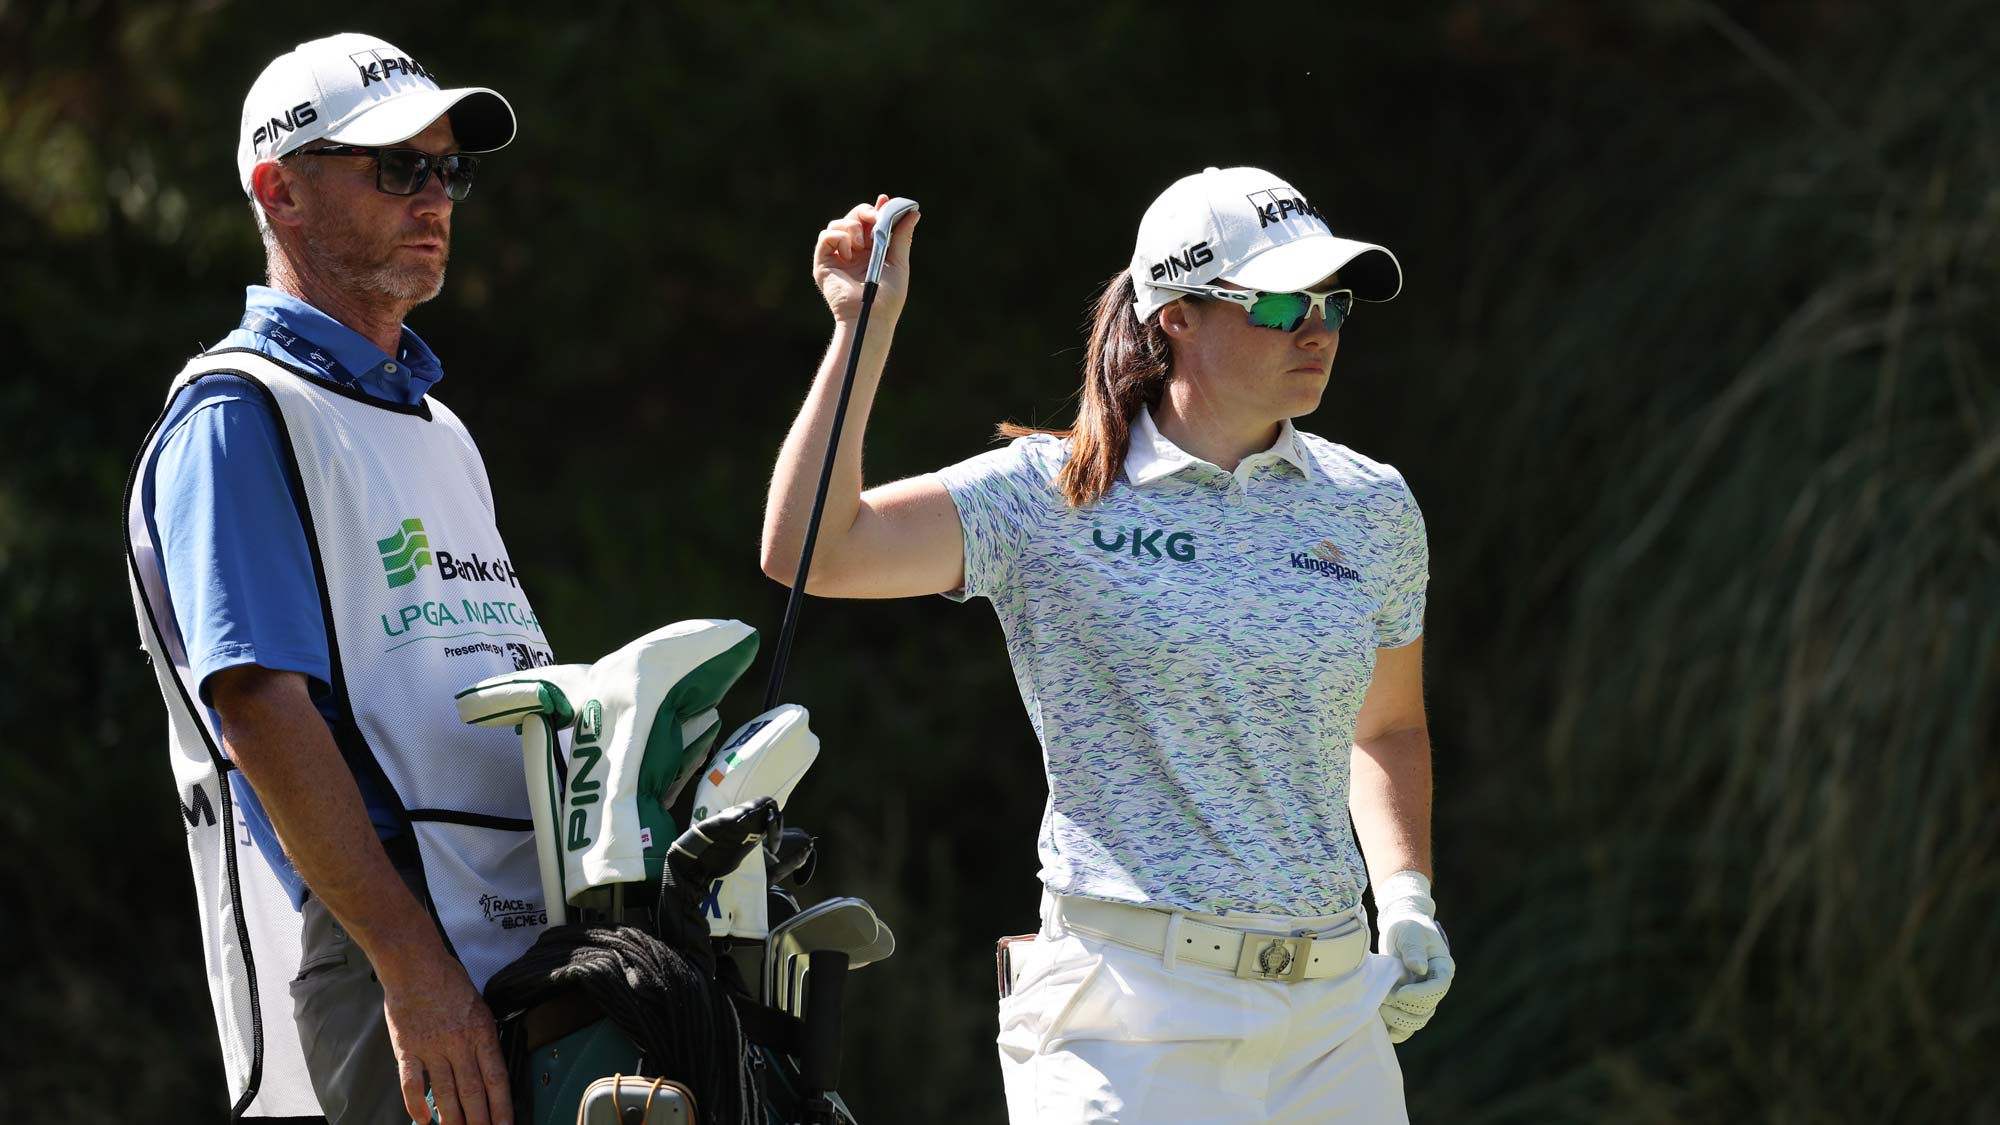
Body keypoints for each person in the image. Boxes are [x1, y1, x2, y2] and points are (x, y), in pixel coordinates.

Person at [761, 168, 1455, 1123]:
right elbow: (813, 550)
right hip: (1127, 1018)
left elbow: (1386, 727)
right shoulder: (1051, 493)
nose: (1319, 329)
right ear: (1176, 313)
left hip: (1333, 1025)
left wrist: (1407, 897)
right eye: (1284, 300)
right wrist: (861, 329)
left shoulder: (1372, 504)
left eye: (1333, 303)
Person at [125, 33, 548, 1125]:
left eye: (447, 168)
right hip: (396, 960)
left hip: (513, 934)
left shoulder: (439, 426)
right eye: (395, 168)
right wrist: (414, 971)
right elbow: (261, 711)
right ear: (282, 191)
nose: (434, 196)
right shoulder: (237, 409)